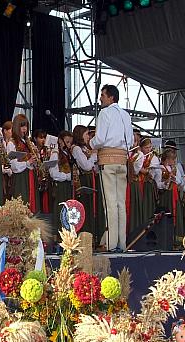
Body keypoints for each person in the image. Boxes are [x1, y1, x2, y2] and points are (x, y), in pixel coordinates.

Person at [89, 84, 134, 252]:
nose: (101, 98)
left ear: (111, 97)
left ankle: (111, 243)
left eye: (103, 95)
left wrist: (90, 143)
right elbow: (130, 141)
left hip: (108, 160)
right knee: (121, 203)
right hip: (122, 160)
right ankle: (122, 243)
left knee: (110, 203)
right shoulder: (125, 114)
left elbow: (100, 139)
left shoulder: (105, 113)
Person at [71, 125, 100, 241]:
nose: (88, 137)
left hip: (89, 179)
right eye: (87, 134)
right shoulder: (77, 149)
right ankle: (83, 237)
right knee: (84, 208)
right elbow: (86, 166)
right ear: (80, 134)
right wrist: (93, 155)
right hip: (83, 180)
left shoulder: (84, 148)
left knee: (89, 208)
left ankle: (90, 237)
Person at [8, 114, 38, 214]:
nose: (25, 128)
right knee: (21, 205)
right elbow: (13, 166)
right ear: (16, 127)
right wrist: (27, 162)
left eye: (26, 126)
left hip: (30, 176)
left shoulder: (28, 142)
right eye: (22, 126)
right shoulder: (12, 143)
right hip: (20, 178)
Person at [128, 137, 157, 237]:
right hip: (137, 183)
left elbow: (151, 173)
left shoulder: (152, 157)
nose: (148, 150)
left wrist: (145, 170)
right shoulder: (136, 155)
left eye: (150, 147)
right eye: (146, 148)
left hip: (146, 184)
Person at [154, 148, 183, 248]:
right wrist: (167, 182)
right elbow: (158, 184)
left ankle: (175, 240)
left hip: (174, 194)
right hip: (165, 196)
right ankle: (166, 240)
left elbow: (180, 181)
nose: (174, 161)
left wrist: (174, 179)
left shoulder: (173, 168)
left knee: (176, 215)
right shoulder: (160, 168)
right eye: (173, 159)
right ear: (167, 159)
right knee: (167, 216)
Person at [52, 130, 74, 240]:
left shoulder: (69, 155)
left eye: (70, 142)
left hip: (68, 186)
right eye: (66, 142)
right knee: (60, 211)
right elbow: (53, 173)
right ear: (60, 141)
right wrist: (67, 176)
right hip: (60, 186)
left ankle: (68, 236)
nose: (68, 145)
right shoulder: (55, 154)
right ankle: (58, 238)